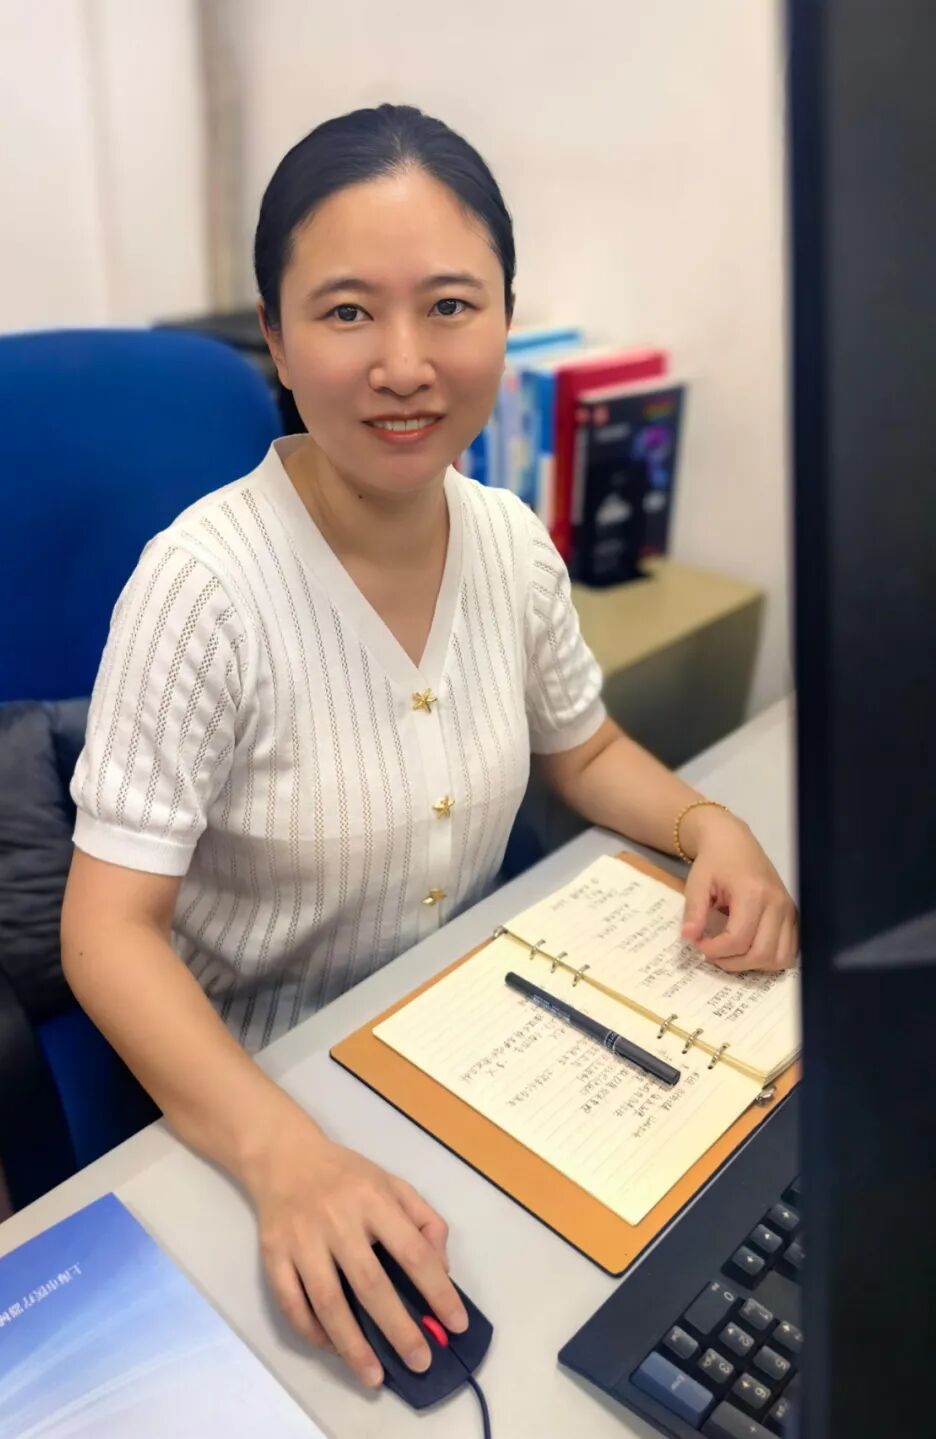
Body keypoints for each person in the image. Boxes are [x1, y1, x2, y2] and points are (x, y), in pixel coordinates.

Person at [61, 102, 797, 1391]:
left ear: (505, 318)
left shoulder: (509, 540)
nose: (404, 364)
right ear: (275, 338)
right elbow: (107, 932)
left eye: (450, 305)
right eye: (347, 312)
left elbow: (582, 750)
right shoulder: (201, 589)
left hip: (472, 1036)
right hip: (262, 1086)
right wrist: (285, 1157)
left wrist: (706, 825)